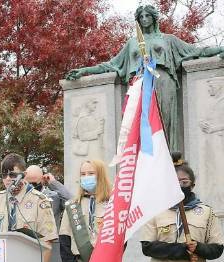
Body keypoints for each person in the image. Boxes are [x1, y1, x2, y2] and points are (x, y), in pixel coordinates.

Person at [66, 4, 224, 153]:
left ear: (154, 18)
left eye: (148, 15)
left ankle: (170, 159)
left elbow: (197, 51)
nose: (144, 19)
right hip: (139, 84)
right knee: (142, 124)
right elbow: (112, 65)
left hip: (163, 81)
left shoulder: (168, 39)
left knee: (165, 120)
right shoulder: (132, 43)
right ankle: (144, 162)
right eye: (141, 16)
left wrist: (220, 49)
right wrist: (84, 70)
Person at [0, 153, 58, 262]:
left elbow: (47, 243)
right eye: (4, 175)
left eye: (12, 175)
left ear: (23, 175)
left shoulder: (40, 200)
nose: (8, 179)